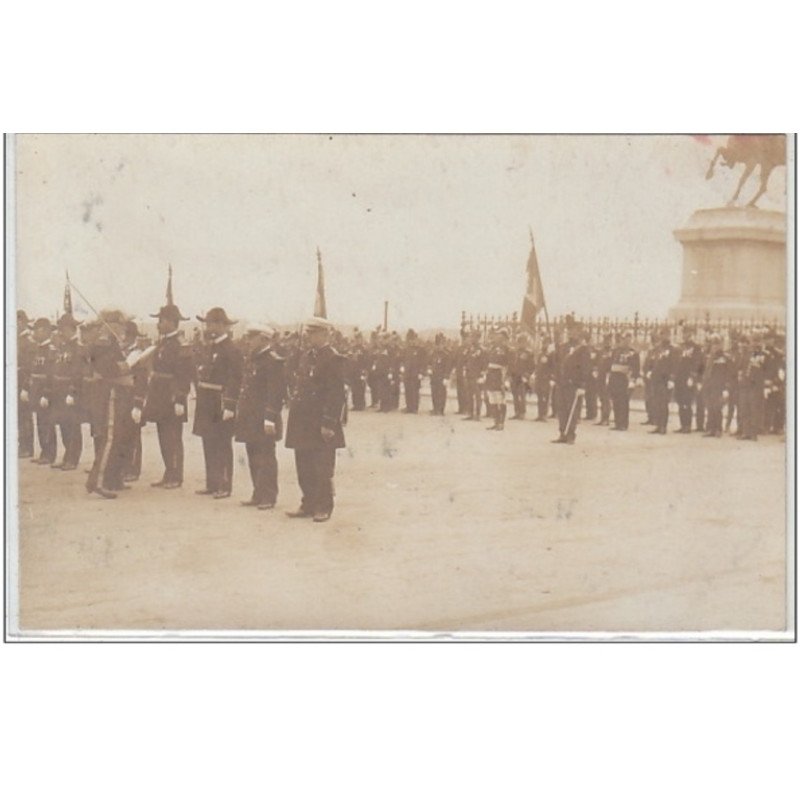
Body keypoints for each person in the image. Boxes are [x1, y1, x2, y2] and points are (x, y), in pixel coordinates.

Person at [285, 317, 347, 523]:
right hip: (303, 420)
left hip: (320, 421)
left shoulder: (333, 358)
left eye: (313, 333)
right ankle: (308, 503)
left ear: (324, 334)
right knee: (303, 464)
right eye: (308, 333)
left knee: (322, 467)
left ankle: (323, 506)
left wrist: (329, 423)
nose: (309, 337)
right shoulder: (306, 356)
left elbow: (335, 394)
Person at [137, 302, 193, 489]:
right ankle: (169, 472)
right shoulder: (162, 342)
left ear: (171, 322)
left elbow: (184, 374)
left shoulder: (180, 345)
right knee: (163, 436)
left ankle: (176, 475)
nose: (158, 324)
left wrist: (180, 398)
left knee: (173, 437)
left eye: (161, 320)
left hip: (171, 395)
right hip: (159, 395)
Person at [84, 311, 136, 499]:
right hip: (109, 394)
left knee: (115, 437)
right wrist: (126, 366)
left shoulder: (109, 342)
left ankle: (107, 479)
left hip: (112, 393)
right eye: (120, 324)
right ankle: (97, 482)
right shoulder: (105, 341)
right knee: (109, 438)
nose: (123, 328)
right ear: (111, 324)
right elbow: (107, 367)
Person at [192, 307, 243, 499]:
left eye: (212, 323)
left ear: (223, 325)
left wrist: (230, 404)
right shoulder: (209, 347)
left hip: (220, 401)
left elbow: (236, 378)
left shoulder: (232, 349)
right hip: (206, 400)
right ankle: (212, 483)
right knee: (208, 441)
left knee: (222, 443)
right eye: (207, 323)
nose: (208, 327)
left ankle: (224, 484)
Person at [235, 323, 286, 510]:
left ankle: (269, 496)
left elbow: (276, 392)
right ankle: (257, 493)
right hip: (250, 416)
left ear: (264, 339)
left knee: (266, 457)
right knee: (253, 454)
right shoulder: (253, 359)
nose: (248, 341)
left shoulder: (273, 361)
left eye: (252, 337)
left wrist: (270, 417)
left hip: (264, 417)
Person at [49, 313, 85, 470]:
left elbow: (78, 372)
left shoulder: (78, 348)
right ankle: (66, 456)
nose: (60, 332)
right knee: (63, 424)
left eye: (62, 329)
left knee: (72, 425)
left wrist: (72, 392)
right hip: (59, 391)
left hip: (70, 392)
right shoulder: (62, 347)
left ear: (71, 329)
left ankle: (73, 459)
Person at [552, 325, 591, 444]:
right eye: (569, 331)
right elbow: (557, 364)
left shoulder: (583, 349)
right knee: (561, 408)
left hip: (573, 384)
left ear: (579, 333)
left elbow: (585, 367)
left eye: (574, 331)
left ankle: (571, 435)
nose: (571, 333)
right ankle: (562, 433)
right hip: (562, 382)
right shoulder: (563, 347)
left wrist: (582, 385)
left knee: (572, 409)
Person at [28, 318, 58, 465]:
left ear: (46, 331)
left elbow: (51, 374)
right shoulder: (38, 349)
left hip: (45, 393)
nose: (34, 332)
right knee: (40, 422)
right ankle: (43, 452)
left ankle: (49, 453)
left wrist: (46, 393)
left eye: (37, 329)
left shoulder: (50, 350)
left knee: (47, 422)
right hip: (36, 391)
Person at [701, 334, 734, 438]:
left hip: (719, 387)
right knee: (710, 407)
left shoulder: (725, 358)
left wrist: (726, 388)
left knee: (717, 408)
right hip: (709, 386)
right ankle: (710, 429)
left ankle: (718, 429)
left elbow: (729, 374)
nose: (715, 347)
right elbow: (705, 372)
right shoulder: (709, 357)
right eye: (713, 344)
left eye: (717, 344)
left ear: (721, 345)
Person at [647, 327, 678, 435]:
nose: (663, 336)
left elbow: (675, 365)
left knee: (663, 403)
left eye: (666, 334)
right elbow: (653, 362)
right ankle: (658, 425)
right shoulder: (658, 349)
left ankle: (663, 426)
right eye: (662, 334)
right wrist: (650, 371)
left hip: (665, 379)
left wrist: (672, 379)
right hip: (656, 379)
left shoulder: (673, 349)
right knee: (656, 402)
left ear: (669, 335)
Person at [674, 326, 705, 433]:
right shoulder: (681, 347)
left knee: (687, 402)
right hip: (680, 378)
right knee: (680, 401)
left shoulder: (696, 348)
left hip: (688, 378)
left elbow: (698, 363)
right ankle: (683, 425)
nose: (685, 335)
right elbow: (677, 363)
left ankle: (687, 425)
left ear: (691, 334)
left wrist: (693, 377)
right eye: (684, 333)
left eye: (687, 333)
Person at [607, 331, 640, 431]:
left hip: (625, 378)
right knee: (616, 400)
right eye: (624, 338)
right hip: (615, 378)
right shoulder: (615, 350)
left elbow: (636, 367)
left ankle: (623, 424)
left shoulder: (633, 352)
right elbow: (610, 364)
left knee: (623, 401)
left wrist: (633, 380)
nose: (626, 341)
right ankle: (617, 422)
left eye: (628, 339)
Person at [485, 327, 511, 431]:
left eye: (500, 335)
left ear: (504, 337)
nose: (498, 337)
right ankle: (495, 422)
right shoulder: (492, 348)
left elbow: (510, 365)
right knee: (492, 399)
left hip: (500, 375)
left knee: (501, 400)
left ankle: (501, 423)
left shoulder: (508, 350)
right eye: (497, 335)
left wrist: (507, 379)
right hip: (491, 375)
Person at [17, 310, 35, 458]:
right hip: (14, 380)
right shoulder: (14, 339)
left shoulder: (28, 341)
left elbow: (30, 367)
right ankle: (22, 445)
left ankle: (27, 447)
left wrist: (25, 387)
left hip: (23, 380)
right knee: (19, 416)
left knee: (24, 415)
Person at [509, 333, 535, 420]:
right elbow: (511, 364)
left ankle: (522, 412)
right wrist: (510, 375)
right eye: (519, 342)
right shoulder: (514, 352)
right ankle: (517, 412)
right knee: (515, 395)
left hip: (522, 377)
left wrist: (527, 375)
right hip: (514, 376)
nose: (521, 344)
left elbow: (532, 366)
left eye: (523, 342)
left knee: (522, 395)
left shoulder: (529, 353)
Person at [401, 330, 426, 414]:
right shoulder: (406, 349)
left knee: (415, 391)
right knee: (407, 390)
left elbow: (423, 362)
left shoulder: (420, 350)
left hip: (415, 374)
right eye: (410, 339)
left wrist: (421, 372)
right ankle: (409, 407)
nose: (412, 341)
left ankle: (415, 407)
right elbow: (403, 360)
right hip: (407, 373)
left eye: (413, 339)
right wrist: (402, 368)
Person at [428, 333, 451, 415]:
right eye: (437, 344)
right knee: (434, 392)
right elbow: (429, 363)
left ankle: (441, 410)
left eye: (441, 344)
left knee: (441, 393)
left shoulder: (446, 354)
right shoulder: (433, 353)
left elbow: (448, 367)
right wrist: (429, 369)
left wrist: (446, 377)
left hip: (442, 377)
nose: (439, 346)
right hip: (434, 376)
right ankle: (435, 408)